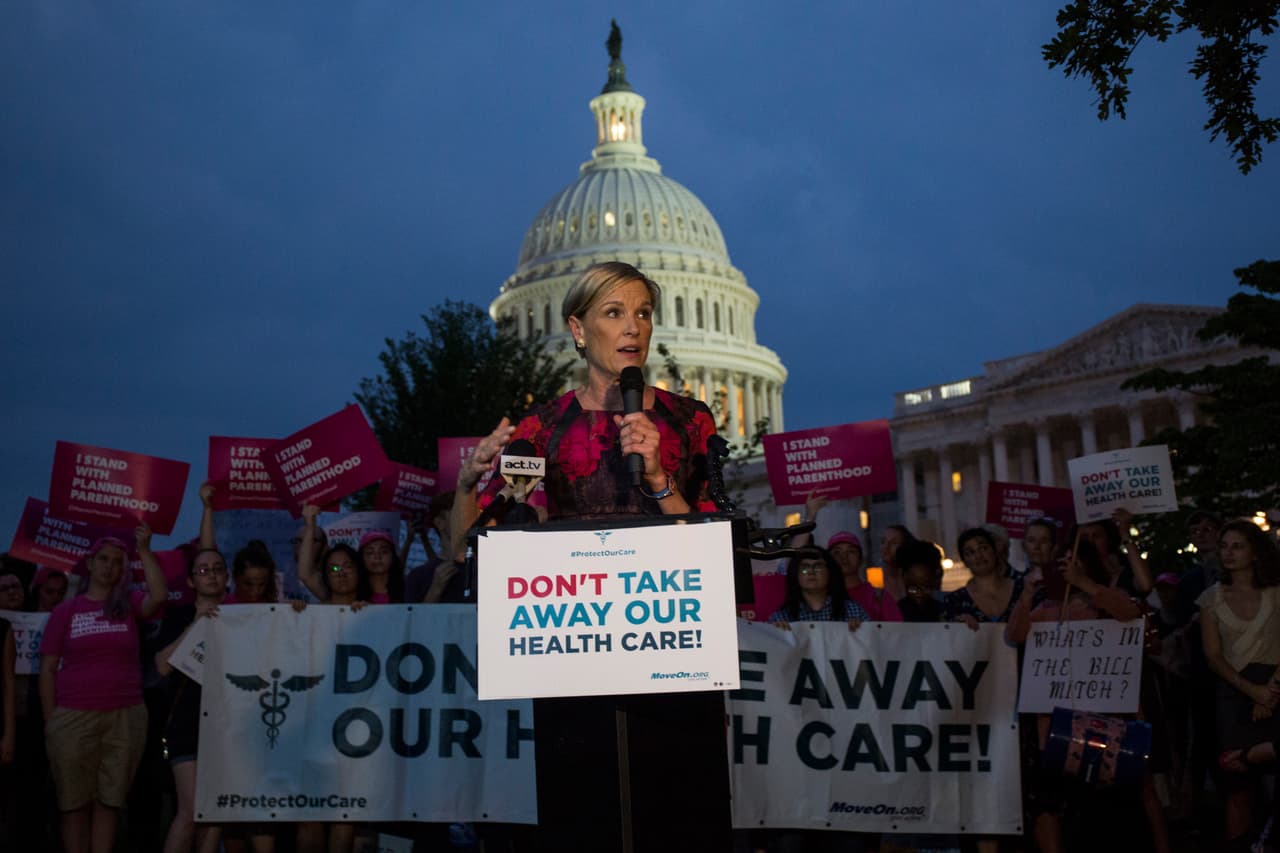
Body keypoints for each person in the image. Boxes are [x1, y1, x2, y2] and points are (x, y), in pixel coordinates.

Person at [452, 261, 725, 852]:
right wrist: (466, 486)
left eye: (643, 313)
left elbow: (712, 545)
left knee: (676, 817)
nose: (633, 327)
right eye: (614, 312)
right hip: (576, 658)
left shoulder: (689, 421)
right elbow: (474, 545)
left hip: (672, 650)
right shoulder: (541, 429)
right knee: (585, 818)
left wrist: (657, 478)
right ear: (578, 330)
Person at [39, 527, 168, 853]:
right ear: (90, 563)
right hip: (73, 716)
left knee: (110, 802)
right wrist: (51, 721)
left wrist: (144, 549)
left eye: (117, 562)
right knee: (73, 804)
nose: (109, 567)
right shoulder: (65, 612)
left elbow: (159, 598)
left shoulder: (128, 605)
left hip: (125, 715)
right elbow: (48, 670)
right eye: (103, 560)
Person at [1196, 519, 1280, 847]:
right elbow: (1213, 656)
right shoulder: (1210, 599)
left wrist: (1271, 691)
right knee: (1237, 787)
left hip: (1275, 687)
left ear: (1255, 552)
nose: (1229, 553)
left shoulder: (1276, 592)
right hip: (1232, 694)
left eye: (1238, 546)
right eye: (1225, 546)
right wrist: (1253, 691)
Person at [155, 547, 237, 853]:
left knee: (216, 810)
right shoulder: (178, 616)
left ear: (227, 576)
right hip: (186, 721)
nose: (212, 575)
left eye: (218, 568)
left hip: (227, 723)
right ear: (191, 582)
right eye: (203, 570)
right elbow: (162, 665)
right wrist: (195, 625)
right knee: (190, 812)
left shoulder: (241, 617)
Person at [768, 548, 869, 626]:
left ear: (830, 572)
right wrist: (777, 634)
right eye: (805, 568)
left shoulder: (854, 612)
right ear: (796, 575)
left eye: (818, 567)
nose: (811, 572)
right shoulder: (781, 618)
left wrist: (861, 630)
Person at [943, 528, 1022, 626]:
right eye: (970, 552)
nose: (978, 556)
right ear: (965, 561)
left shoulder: (1023, 591)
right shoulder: (954, 601)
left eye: (983, 548)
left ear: (995, 551)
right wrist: (958, 626)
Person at [896, 540, 945, 623]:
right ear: (903, 577)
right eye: (913, 588)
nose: (919, 594)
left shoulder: (943, 612)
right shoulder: (895, 612)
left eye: (926, 588)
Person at [879, 523, 917, 603]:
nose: (886, 546)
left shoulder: (912, 579)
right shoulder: (874, 579)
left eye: (893, 543)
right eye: (883, 541)